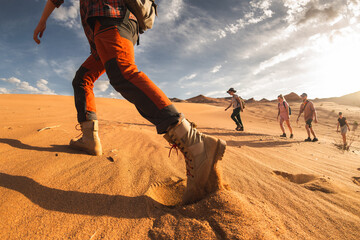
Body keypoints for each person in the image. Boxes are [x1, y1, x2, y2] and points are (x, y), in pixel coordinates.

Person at [33, 0, 226, 204]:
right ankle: (89, 139)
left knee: (123, 73)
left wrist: (42, 21)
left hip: (110, 17)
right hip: (112, 27)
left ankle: (195, 143)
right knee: (83, 79)